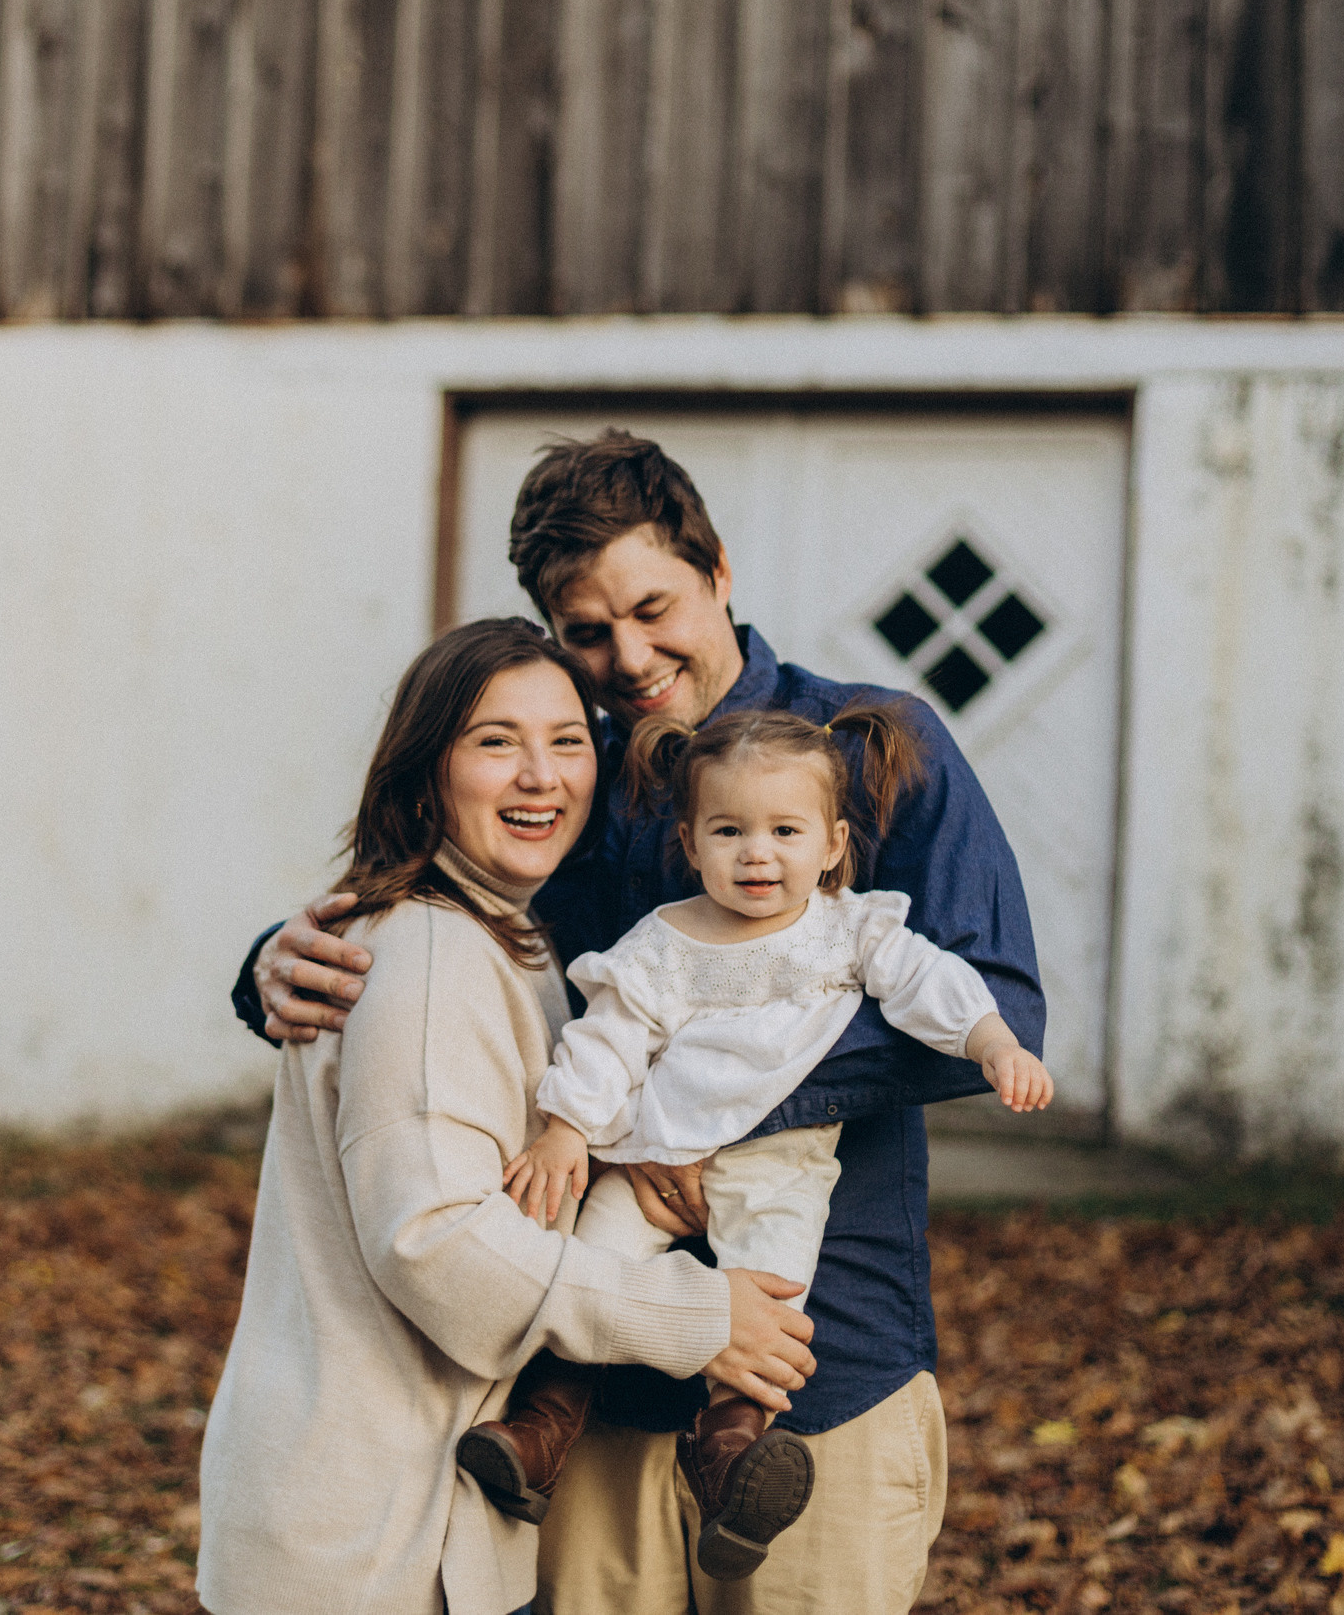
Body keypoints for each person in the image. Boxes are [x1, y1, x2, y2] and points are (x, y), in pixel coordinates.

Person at [236, 433, 1045, 1614]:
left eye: (654, 606)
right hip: (598, 1385)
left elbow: (998, 996)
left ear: (716, 568)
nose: (629, 656)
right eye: (588, 632)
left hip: (825, 1362)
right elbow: (433, 895)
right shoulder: (569, 783)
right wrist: (265, 961)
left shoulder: (872, 749)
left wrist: (706, 1121)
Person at [196, 617, 819, 1615]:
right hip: (368, 1545)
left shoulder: (490, 939)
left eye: (566, 741)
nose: (541, 776)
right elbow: (434, 1243)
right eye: (496, 742)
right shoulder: (431, 959)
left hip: (398, 1516)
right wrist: (700, 1321)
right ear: (424, 769)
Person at [462, 703, 1055, 1582]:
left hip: (780, 1163)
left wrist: (994, 1041)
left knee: (773, 1291)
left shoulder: (851, 928)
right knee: (596, 1266)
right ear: (691, 842)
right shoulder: (665, 939)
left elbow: (933, 982)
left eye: (785, 830)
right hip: (650, 1152)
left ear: (831, 844)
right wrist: (566, 1128)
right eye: (729, 830)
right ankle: (543, 1429)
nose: (757, 852)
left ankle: (733, 1447)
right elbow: (609, 1035)